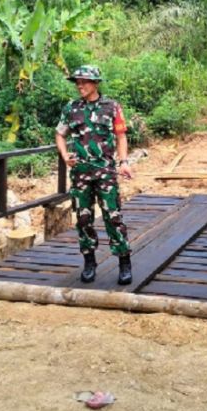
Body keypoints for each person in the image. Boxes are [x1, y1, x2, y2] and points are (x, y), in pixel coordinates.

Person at [55, 65, 134, 285]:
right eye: (77, 82)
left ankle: (124, 262)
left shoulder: (111, 107)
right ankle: (89, 262)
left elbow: (121, 136)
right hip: (80, 174)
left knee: (113, 216)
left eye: (84, 81)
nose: (80, 85)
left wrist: (124, 162)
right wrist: (64, 156)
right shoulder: (71, 108)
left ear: (96, 83)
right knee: (83, 219)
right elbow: (60, 134)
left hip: (106, 173)